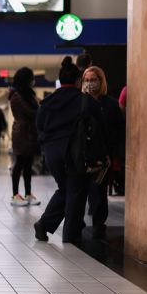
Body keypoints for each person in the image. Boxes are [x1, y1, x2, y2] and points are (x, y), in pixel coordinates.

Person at [33, 60, 106, 244]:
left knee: (66, 189)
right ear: (78, 81)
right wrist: (99, 157)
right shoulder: (86, 101)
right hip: (74, 153)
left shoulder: (47, 101)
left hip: (51, 154)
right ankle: (70, 237)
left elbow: (39, 126)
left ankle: (44, 224)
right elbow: (98, 131)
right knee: (75, 192)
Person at [82, 66, 124, 238]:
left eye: (94, 80)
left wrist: (111, 153)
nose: (91, 83)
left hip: (103, 157)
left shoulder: (111, 104)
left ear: (101, 81)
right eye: (87, 80)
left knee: (99, 193)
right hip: (82, 156)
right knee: (80, 191)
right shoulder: (80, 102)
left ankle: (99, 226)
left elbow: (118, 130)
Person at [9, 67, 41, 207]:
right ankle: (15, 194)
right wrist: (41, 110)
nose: (33, 81)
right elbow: (28, 112)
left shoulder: (28, 94)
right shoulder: (16, 95)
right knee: (19, 163)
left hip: (30, 132)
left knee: (28, 164)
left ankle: (28, 194)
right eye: (31, 78)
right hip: (21, 132)